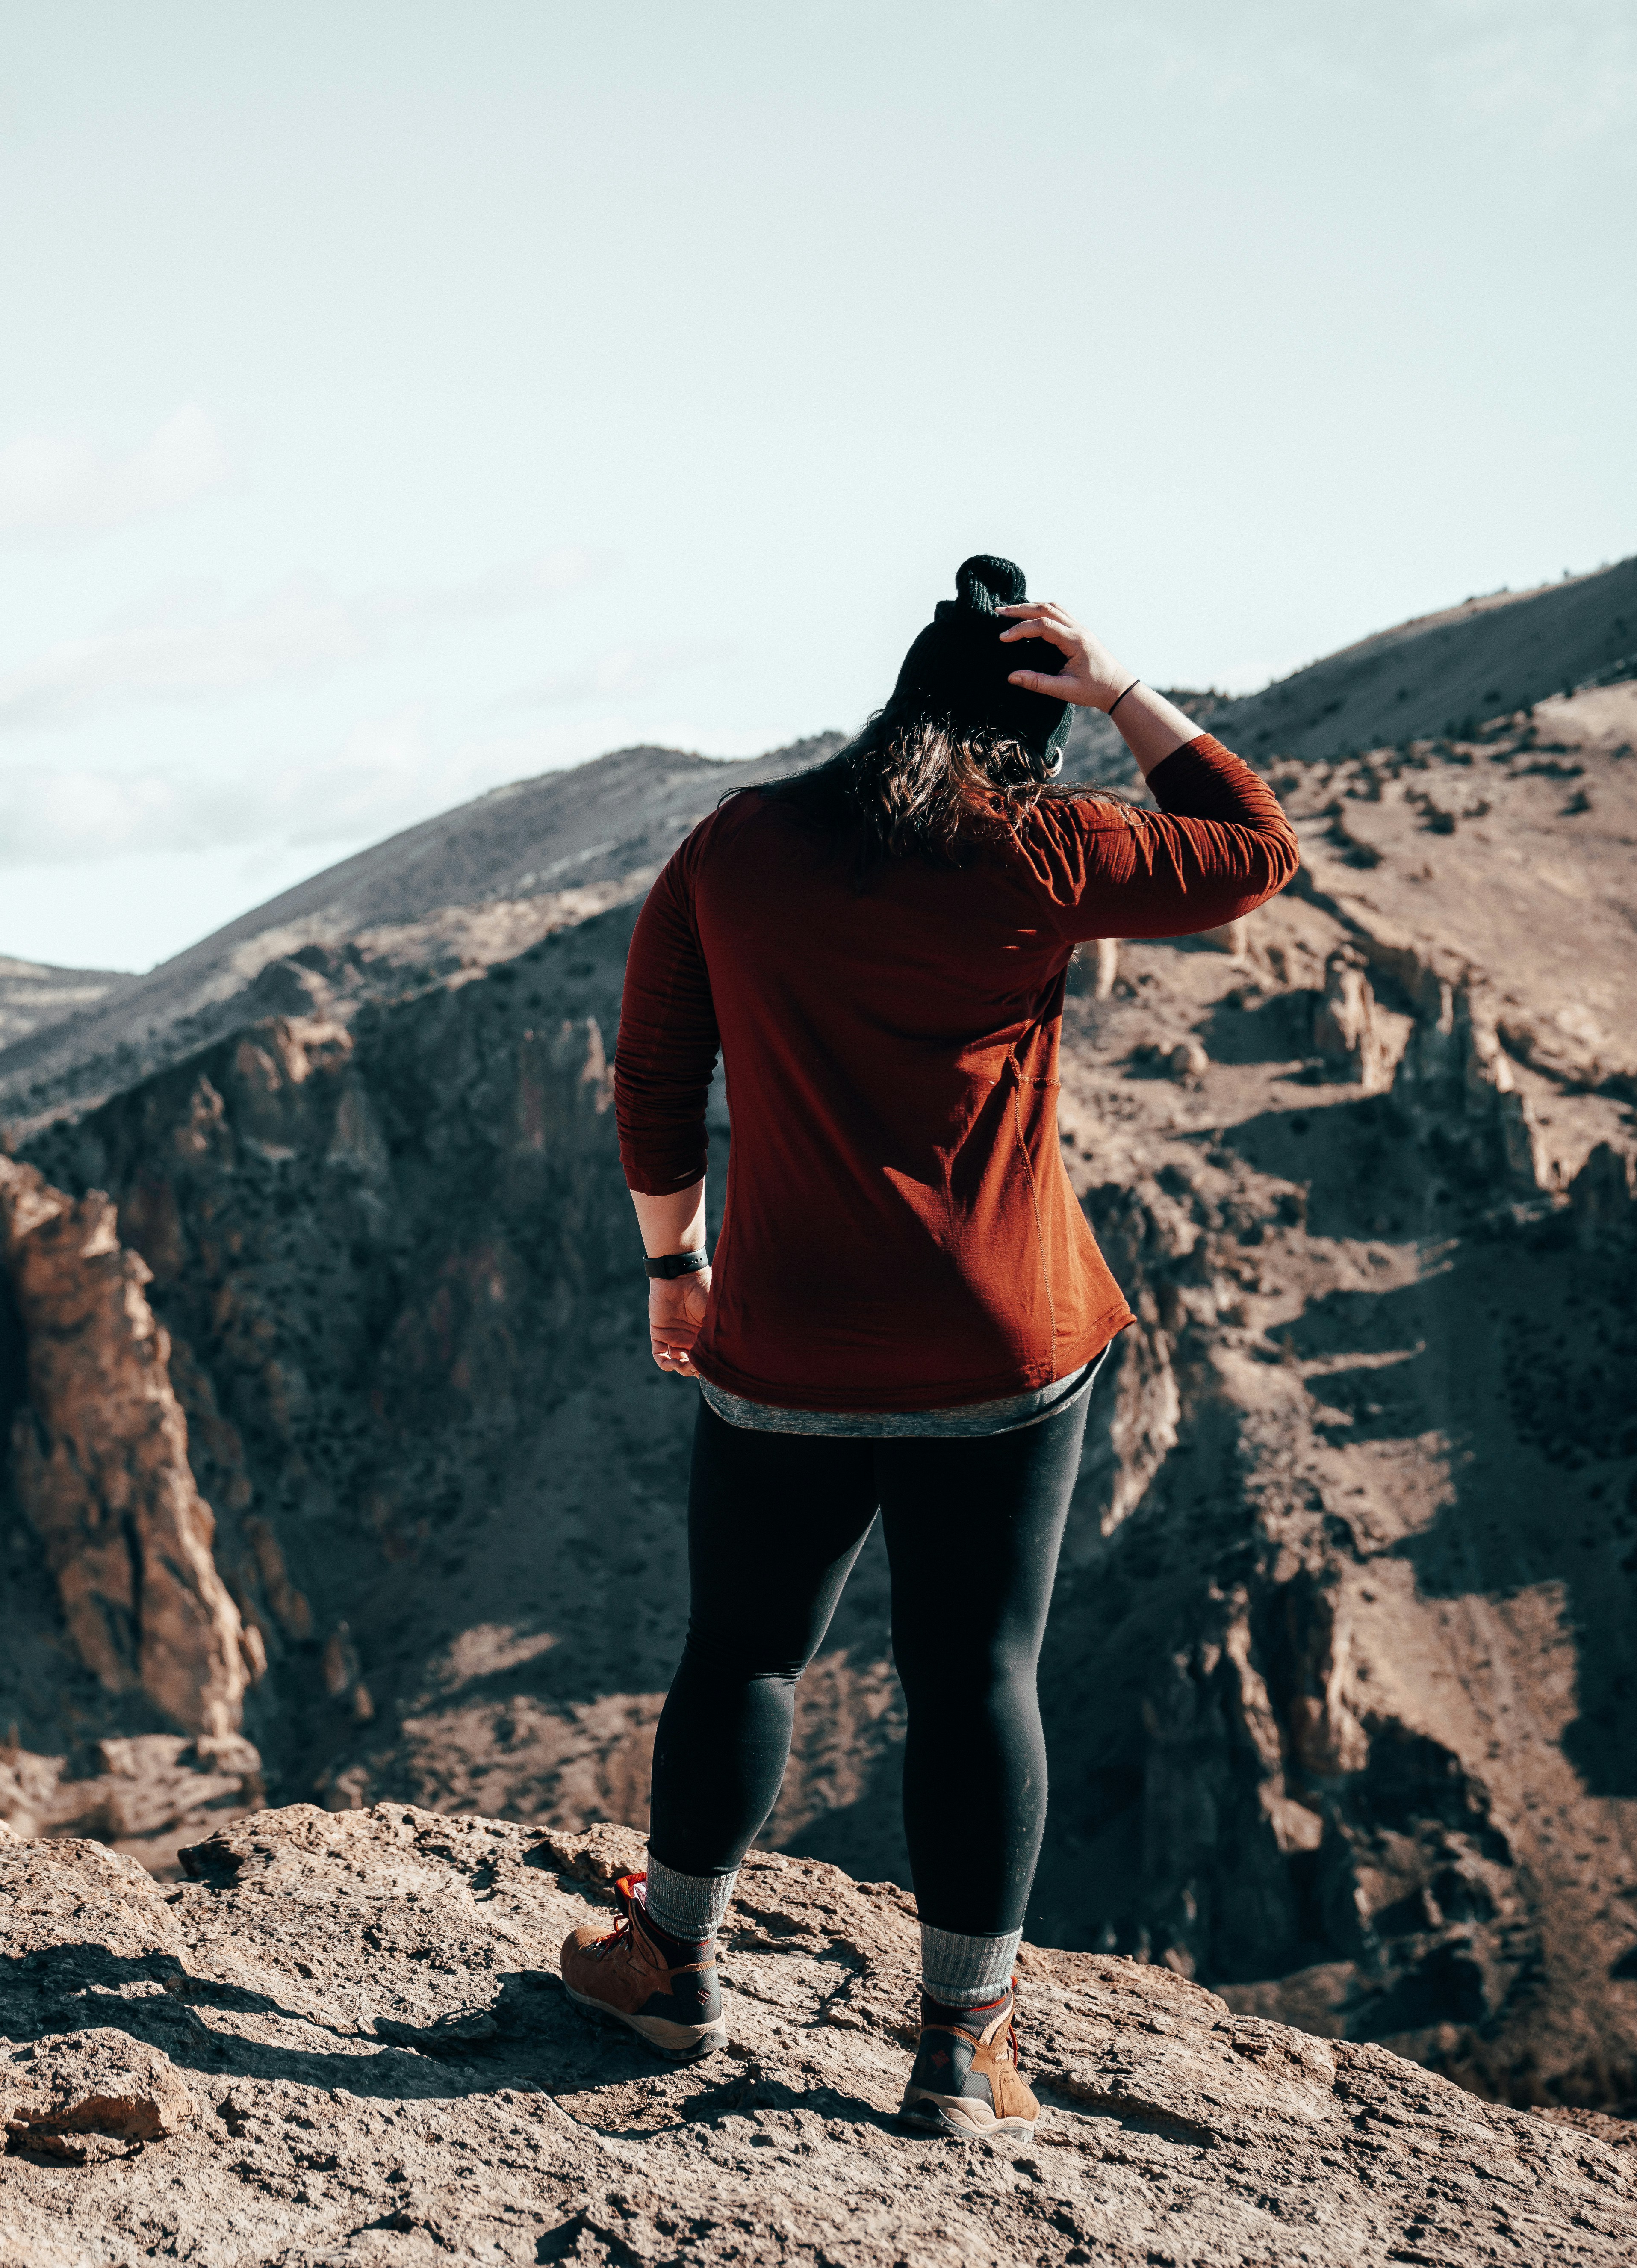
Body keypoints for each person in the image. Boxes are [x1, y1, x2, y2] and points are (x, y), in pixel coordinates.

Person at [555, 556, 1299, 2138]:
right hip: (1004, 1345)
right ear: (1027, 733)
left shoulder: (739, 845)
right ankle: (961, 2046)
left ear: (892, 698)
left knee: (745, 1651)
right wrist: (1115, 691)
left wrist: (672, 1269)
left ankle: (671, 1962)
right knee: (976, 1676)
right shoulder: (1046, 843)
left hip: (786, 1341)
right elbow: (1255, 848)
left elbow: (653, 1076)